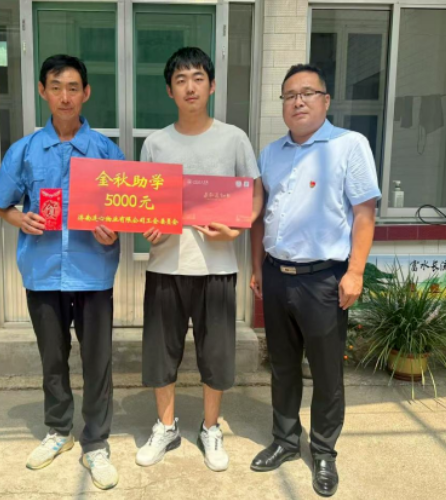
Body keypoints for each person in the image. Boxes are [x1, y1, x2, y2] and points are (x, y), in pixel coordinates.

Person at [0, 54, 123, 490]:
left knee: (97, 361)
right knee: (52, 358)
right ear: (43, 92)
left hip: (93, 272)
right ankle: (59, 431)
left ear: (86, 93)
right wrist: (19, 218)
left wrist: (113, 231)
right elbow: (2, 203)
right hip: (43, 271)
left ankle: (96, 441)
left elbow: (125, 210)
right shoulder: (24, 151)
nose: (65, 96)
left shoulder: (106, 151)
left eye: (73, 88)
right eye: (56, 87)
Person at [249, 64, 379, 497]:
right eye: (290, 95)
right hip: (276, 275)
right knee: (282, 367)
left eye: (307, 93)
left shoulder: (349, 145)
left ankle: (323, 451)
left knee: (326, 372)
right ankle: (286, 440)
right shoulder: (270, 153)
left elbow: (364, 213)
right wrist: (256, 267)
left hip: (324, 280)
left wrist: (355, 272)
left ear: (325, 100)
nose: (298, 101)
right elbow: (259, 217)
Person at [134, 47, 264, 472]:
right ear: (169, 91)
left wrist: (237, 229)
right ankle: (166, 426)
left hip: (217, 267)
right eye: (180, 80)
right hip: (165, 265)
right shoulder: (155, 143)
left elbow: (255, 195)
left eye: (197, 78)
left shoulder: (233, 138)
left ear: (212, 85)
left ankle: (210, 428)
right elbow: (143, 204)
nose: (190, 87)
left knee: (216, 353)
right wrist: (147, 225)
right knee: (161, 352)